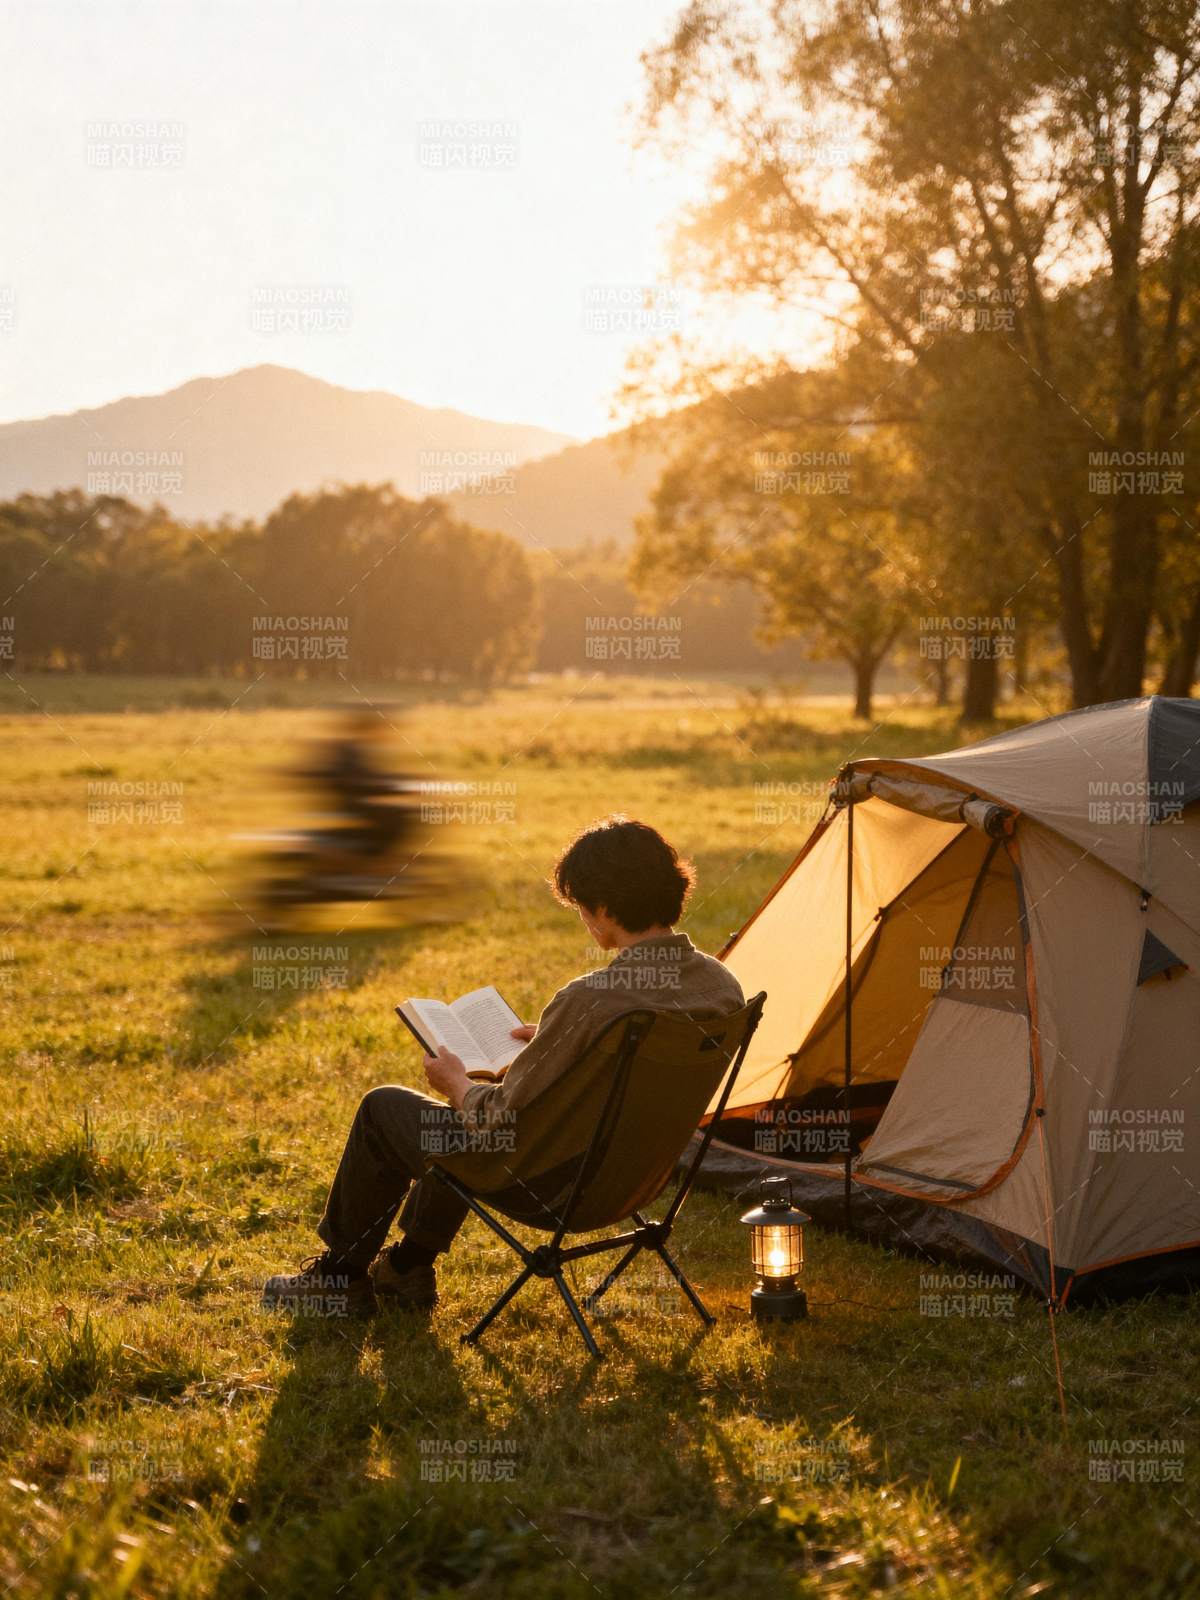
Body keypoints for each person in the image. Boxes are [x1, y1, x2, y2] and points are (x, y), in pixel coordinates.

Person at [262, 816, 745, 1315]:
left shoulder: (591, 1000)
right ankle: (407, 1269)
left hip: (551, 1185)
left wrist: (456, 1082)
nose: (583, 918)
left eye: (581, 907)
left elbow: (496, 1117)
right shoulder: (722, 986)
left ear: (601, 908)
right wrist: (561, 1043)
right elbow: (629, 1066)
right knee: (449, 1131)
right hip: (636, 1181)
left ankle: (338, 1281)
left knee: (389, 1109)